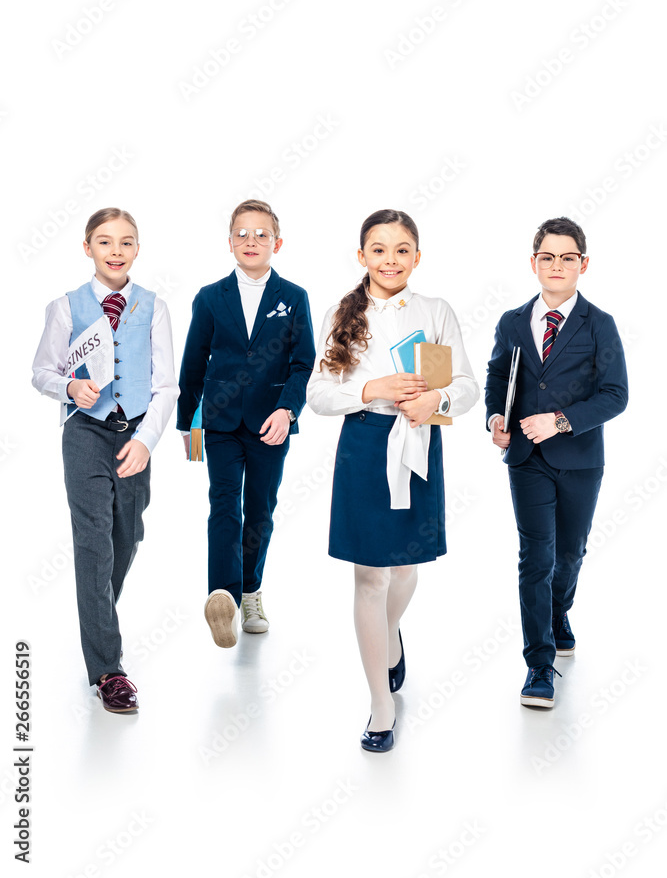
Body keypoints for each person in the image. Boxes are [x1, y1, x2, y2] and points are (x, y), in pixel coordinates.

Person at [307, 210, 478, 751]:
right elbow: (316, 394)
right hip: (363, 446)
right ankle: (381, 703)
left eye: (402, 249)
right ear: (361, 257)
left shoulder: (436, 310)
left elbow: (470, 386)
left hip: (420, 441)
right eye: (378, 250)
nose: (390, 259)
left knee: (404, 569)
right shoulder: (341, 312)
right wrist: (370, 388)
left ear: (417, 257)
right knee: (369, 578)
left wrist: (438, 398)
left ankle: (391, 633)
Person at [32, 208, 179, 713]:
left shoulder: (153, 307)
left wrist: (146, 441)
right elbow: (42, 371)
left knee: (126, 535)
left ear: (137, 249)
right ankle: (107, 670)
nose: (116, 251)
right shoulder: (66, 307)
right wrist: (69, 385)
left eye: (126, 242)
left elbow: (166, 385)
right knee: (93, 542)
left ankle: (96, 615)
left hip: (133, 433)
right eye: (105, 241)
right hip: (84, 432)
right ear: (87, 248)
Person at [485, 217, 628, 709]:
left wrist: (560, 421)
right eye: (547, 256)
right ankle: (539, 667)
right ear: (534, 263)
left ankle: (559, 610)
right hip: (525, 459)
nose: (557, 265)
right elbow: (497, 377)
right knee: (536, 557)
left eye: (568, 257)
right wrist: (494, 420)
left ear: (582, 264)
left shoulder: (599, 323)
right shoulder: (511, 322)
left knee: (570, 553)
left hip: (581, 459)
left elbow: (616, 396)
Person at [177, 199, 315, 648]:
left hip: (270, 422)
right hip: (219, 421)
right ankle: (223, 595)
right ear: (229, 242)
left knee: (259, 509)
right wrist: (186, 424)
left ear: (277, 242)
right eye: (242, 233)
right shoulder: (210, 297)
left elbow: (303, 362)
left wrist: (288, 409)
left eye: (261, 234)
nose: (251, 241)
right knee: (223, 504)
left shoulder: (294, 298)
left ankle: (250, 590)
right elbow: (193, 363)